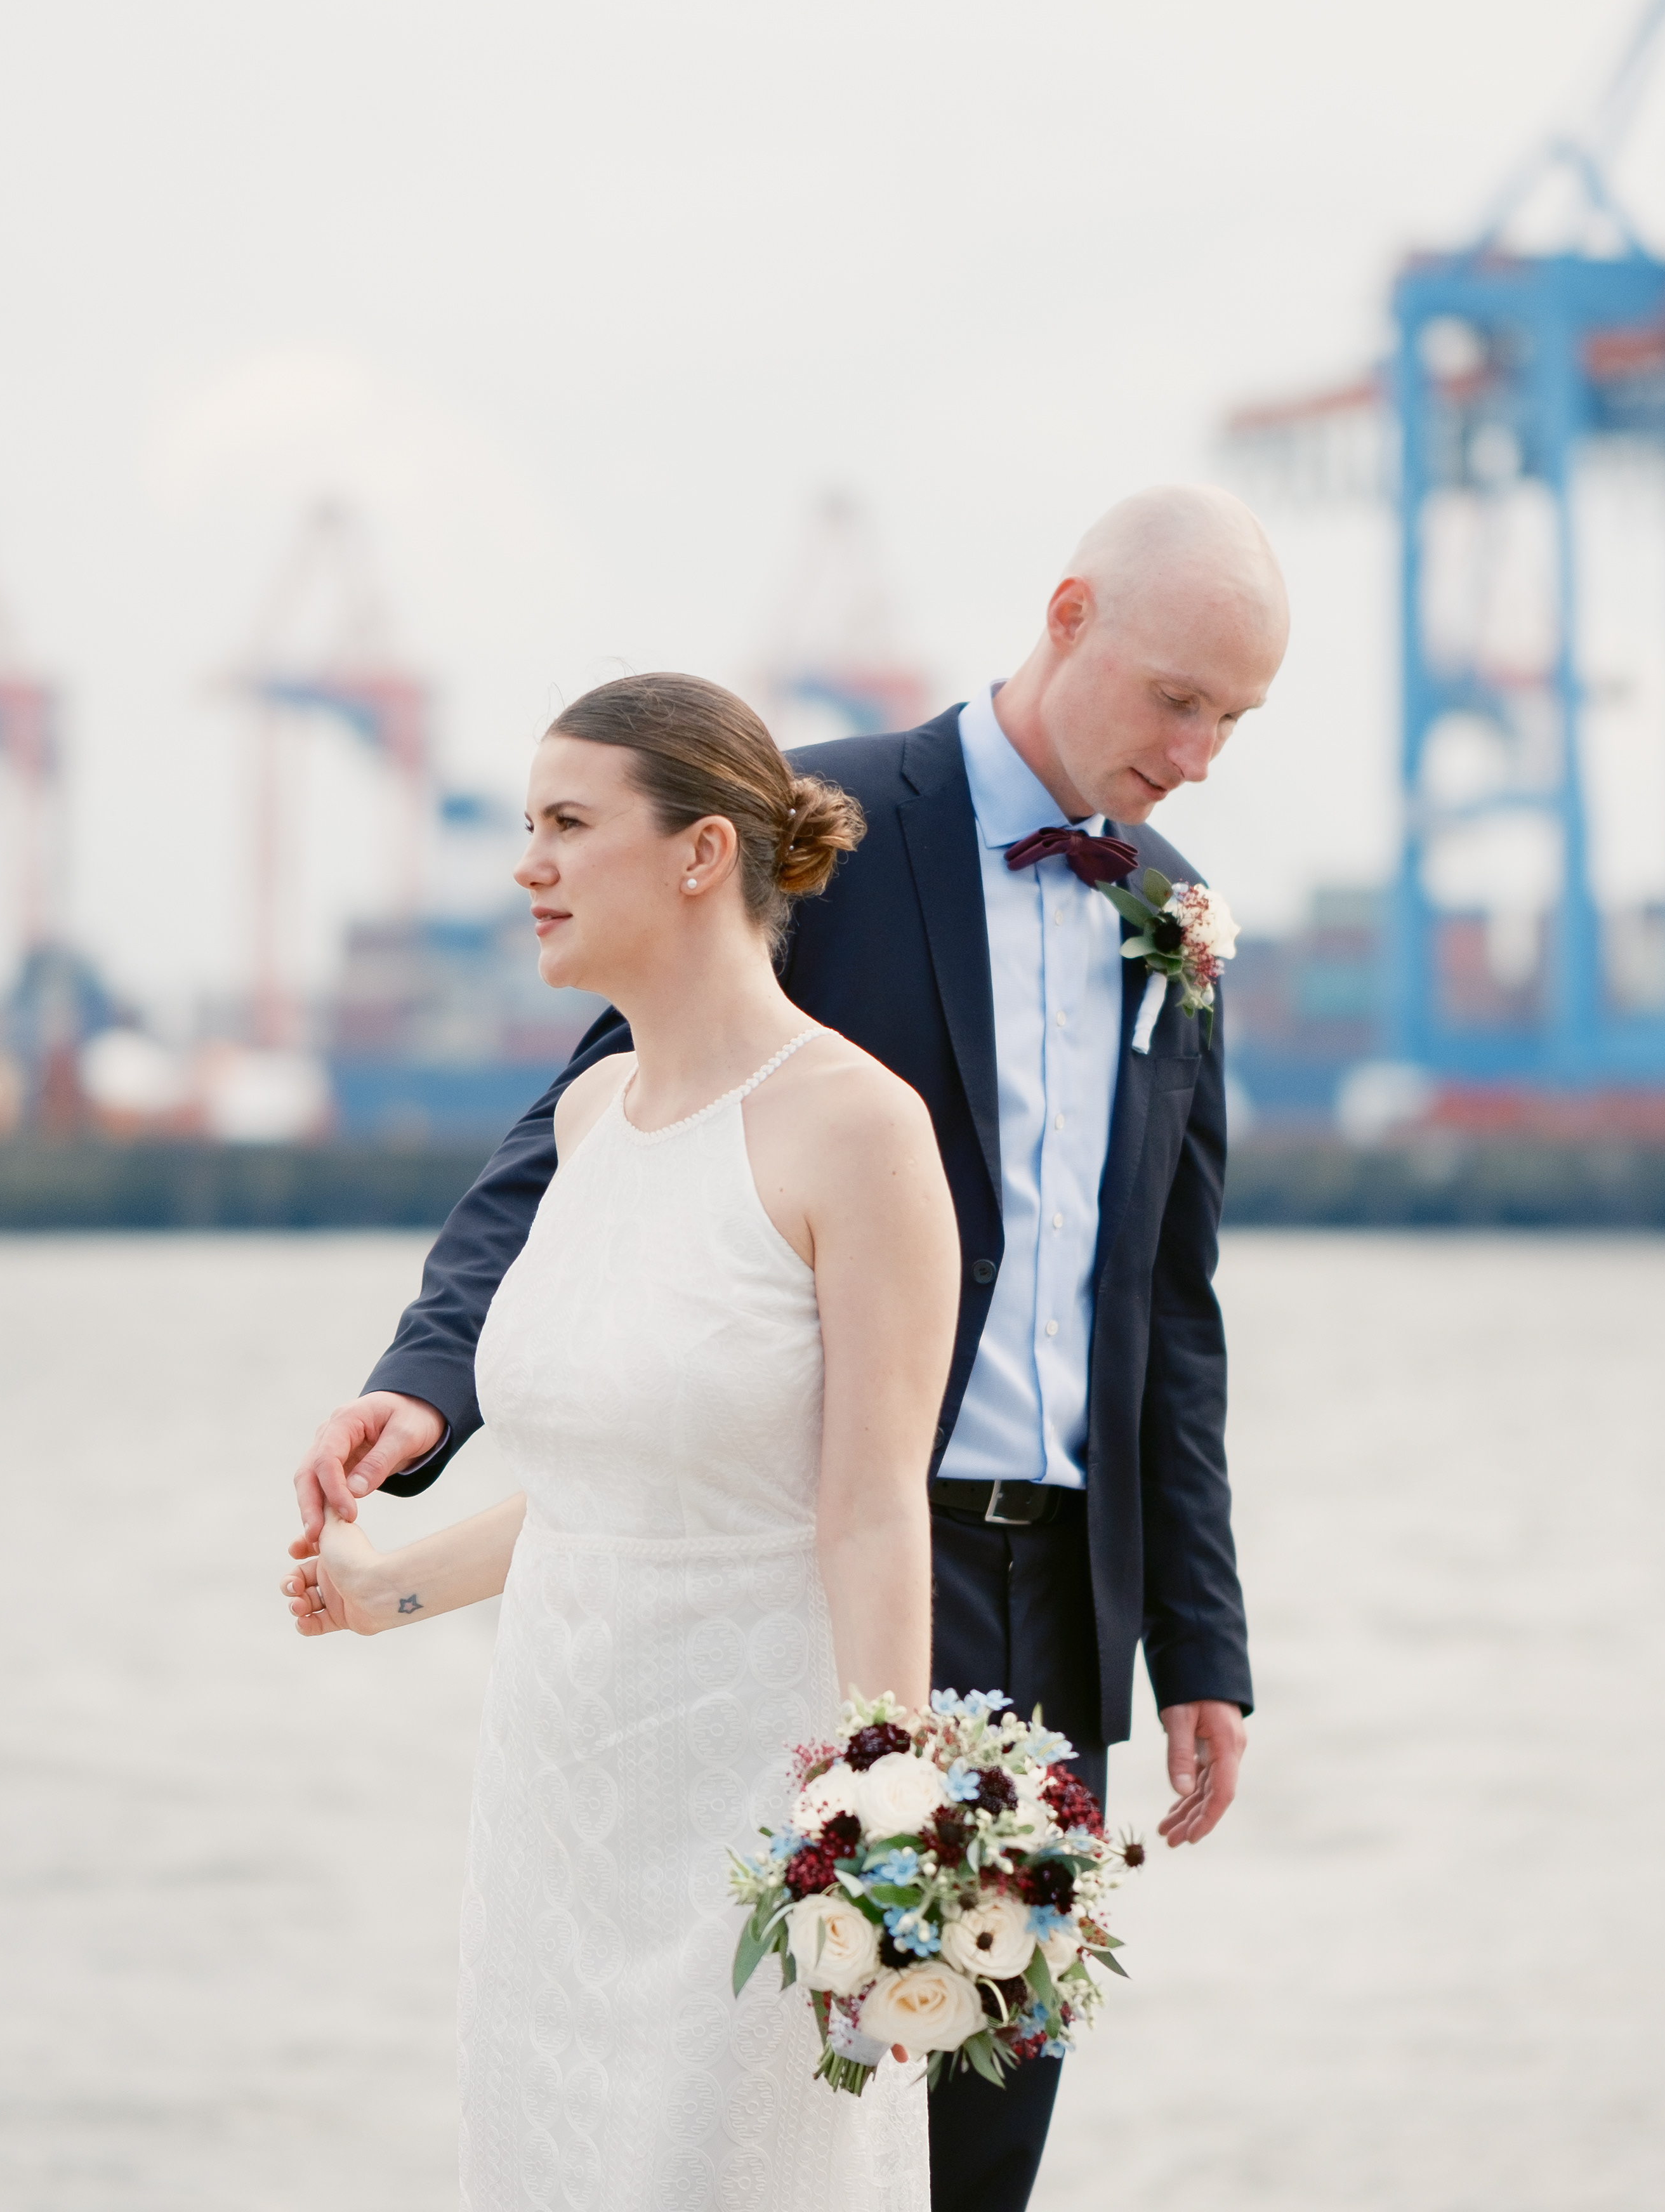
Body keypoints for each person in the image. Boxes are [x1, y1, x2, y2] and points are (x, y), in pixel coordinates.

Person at [296, 482, 1293, 2212]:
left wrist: (1198, 1642)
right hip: (844, 1541)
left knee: (978, 2119)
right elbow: (589, 1132)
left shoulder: (1177, 918)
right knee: (770, 2095)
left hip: (1070, 1594)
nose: (1199, 751)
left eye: (1236, 718)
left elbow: (1168, 1314)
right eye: (1178, 699)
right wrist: (426, 1385)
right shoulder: (830, 826)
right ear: (1067, 618)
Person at [285, 674, 961, 2209]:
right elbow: (610, 1491)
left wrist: (887, 1813)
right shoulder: (590, 1122)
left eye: (569, 826)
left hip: (752, 1794)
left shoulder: (857, 1128)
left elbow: (867, 1509)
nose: (528, 864)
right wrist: (380, 1587)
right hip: (560, 1791)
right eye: (528, 826)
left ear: (703, 853)